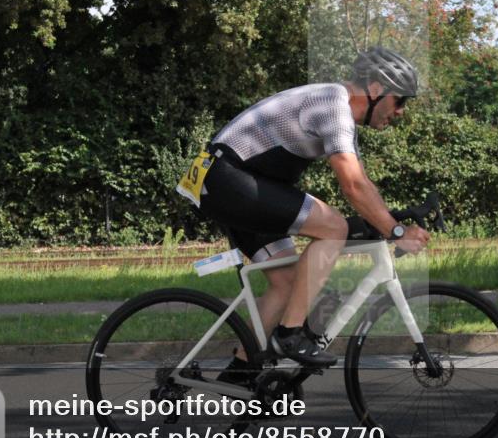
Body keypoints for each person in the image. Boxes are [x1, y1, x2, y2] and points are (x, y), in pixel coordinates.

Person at [177, 47, 431, 383]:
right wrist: (395, 232)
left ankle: (240, 373)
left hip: (229, 181)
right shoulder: (334, 105)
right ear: (374, 89)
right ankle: (290, 335)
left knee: (286, 282)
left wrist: (385, 219)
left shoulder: (335, 108)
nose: (400, 111)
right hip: (230, 179)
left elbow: (362, 183)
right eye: (400, 100)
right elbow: (352, 186)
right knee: (334, 227)